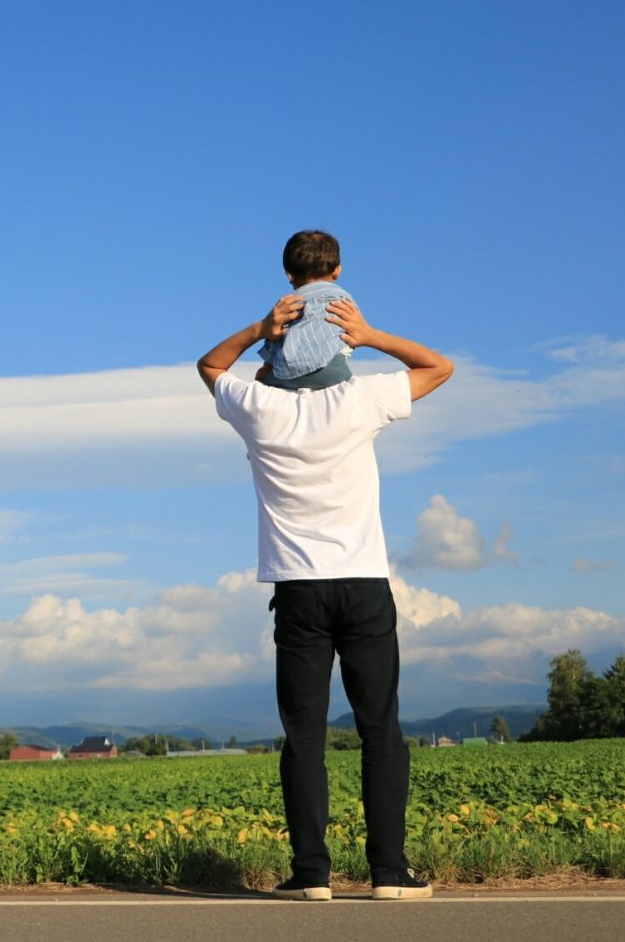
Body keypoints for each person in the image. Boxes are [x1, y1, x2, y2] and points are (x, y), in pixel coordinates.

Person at [196, 230, 453, 902]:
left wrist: (259, 326)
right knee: (381, 730)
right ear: (335, 275)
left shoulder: (261, 407)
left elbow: (208, 365)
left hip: (298, 592)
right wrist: (368, 335)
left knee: (304, 736)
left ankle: (312, 875)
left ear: (288, 283)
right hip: (364, 584)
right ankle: (389, 874)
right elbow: (439, 367)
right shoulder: (357, 399)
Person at [258, 230, 355, 391]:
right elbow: (355, 333)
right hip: (332, 373)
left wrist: (265, 369)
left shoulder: (287, 304)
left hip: (285, 375)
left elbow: (273, 337)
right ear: (337, 270)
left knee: (264, 380)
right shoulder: (343, 299)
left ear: (290, 275)